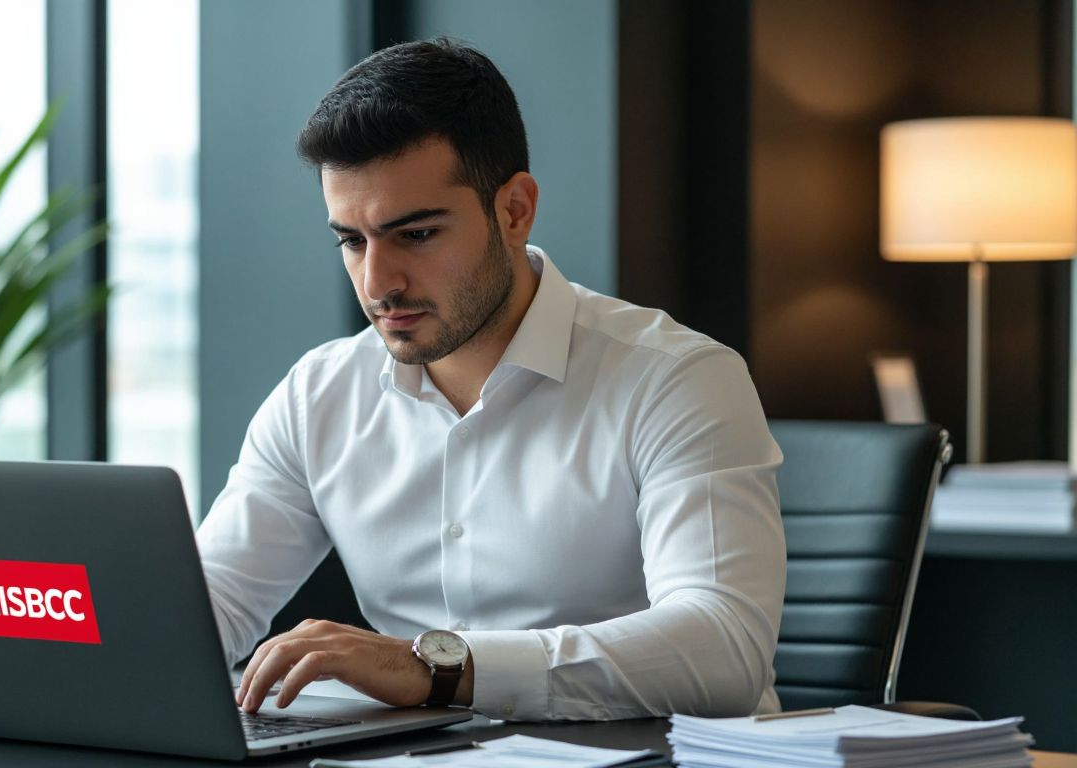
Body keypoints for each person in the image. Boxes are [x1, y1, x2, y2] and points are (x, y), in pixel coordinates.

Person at [198, 38, 785, 722]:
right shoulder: (318, 396)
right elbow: (208, 603)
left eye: (415, 234)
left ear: (514, 211)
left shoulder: (676, 379)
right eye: (352, 241)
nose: (377, 282)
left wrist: (436, 669)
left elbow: (724, 648)